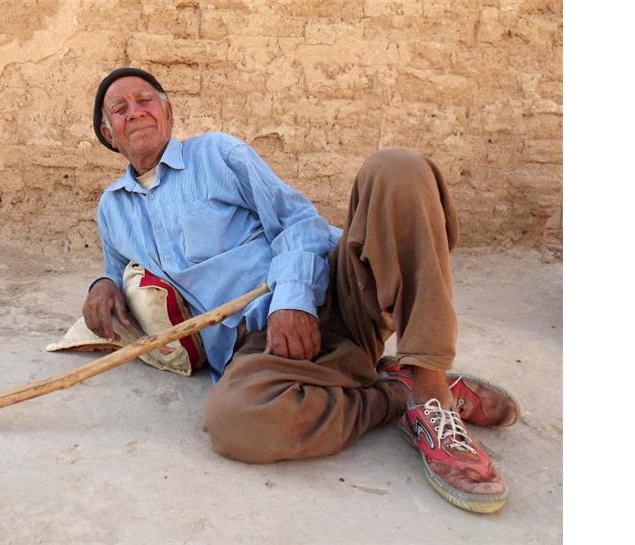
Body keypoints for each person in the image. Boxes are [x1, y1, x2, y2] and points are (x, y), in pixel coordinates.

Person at [81, 67, 520, 514]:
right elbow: (117, 272)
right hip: (261, 347)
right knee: (233, 424)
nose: (135, 112)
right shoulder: (113, 209)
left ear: (168, 111)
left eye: (145, 100)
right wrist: (102, 285)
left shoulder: (216, 154)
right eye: (120, 109)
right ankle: (395, 394)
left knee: (397, 169)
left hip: (337, 294)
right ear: (109, 133)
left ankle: (431, 391)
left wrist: (292, 299)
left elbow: (299, 220)